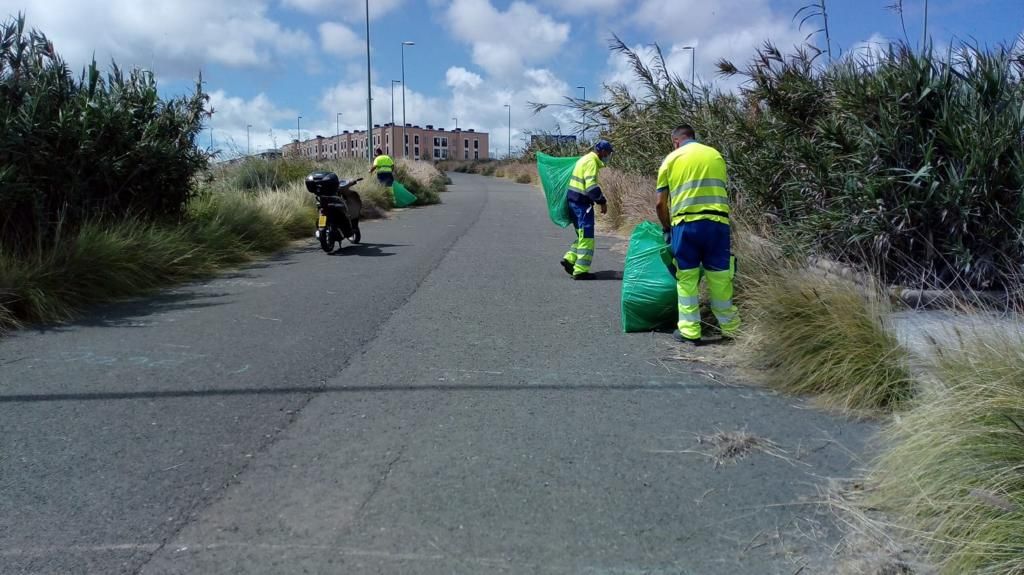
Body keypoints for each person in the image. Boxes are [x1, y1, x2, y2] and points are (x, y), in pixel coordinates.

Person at [655, 124, 740, 345]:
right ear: (693, 137)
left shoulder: (671, 159)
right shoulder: (715, 155)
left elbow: (660, 204)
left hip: (686, 225)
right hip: (717, 224)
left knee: (687, 279)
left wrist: (667, 229)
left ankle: (690, 331)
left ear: (675, 141)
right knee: (721, 278)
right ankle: (731, 328)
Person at [560, 140, 613, 280]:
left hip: (574, 202)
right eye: (608, 153)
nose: (608, 156)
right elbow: (591, 187)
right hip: (582, 204)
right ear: (602, 151)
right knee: (587, 236)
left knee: (582, 236)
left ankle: (570, 258)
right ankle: (580, 271)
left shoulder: (585, 159)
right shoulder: (591, 162)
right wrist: (602, 201)